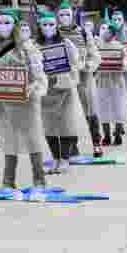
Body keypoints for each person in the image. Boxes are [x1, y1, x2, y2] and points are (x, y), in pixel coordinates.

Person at [0, 9, 49, 194]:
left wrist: (34, 88)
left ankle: (39, 179)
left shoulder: (28, 48)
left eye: (7, 22)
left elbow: (39, 75)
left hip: (26, 101)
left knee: (33, 137)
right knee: (7, 138)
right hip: (2, 102)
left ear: (15, 25)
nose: (2, 26)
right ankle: (8, 180)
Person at [35, 10, 86, 173]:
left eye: (51, 24)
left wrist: (64, 73)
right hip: (45, 92)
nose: (48, 27)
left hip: (64, 90)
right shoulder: (35, 46)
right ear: (39, 27)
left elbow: (77, 63)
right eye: (44, 25)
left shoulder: (66, 43)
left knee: (66, 124)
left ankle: (64, 159)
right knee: (48, 126)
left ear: (56, 26)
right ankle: (55, 158)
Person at [59, 2, 103, 157]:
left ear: (72, 16)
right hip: (64, 79)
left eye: (67, 14)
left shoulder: (84, 33)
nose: (64, 18)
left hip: (84, 77)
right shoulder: (55, 34)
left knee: (90, 109)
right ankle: (72, 145)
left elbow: (95, 55)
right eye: (61, 15)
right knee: (67, 112)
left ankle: (97, 142)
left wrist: (87, 66)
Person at [96, 19, 127, 147]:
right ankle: (106, 136)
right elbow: (91, 60)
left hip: (117, 81)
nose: (106, 33)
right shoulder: (97, 46)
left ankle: (117, 134)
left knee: (118, 107)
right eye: (104, 29)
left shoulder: (119, 46)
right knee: (103, 108)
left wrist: (124, 64)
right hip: (101, 81)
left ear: (113, 33)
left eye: (109, 30)